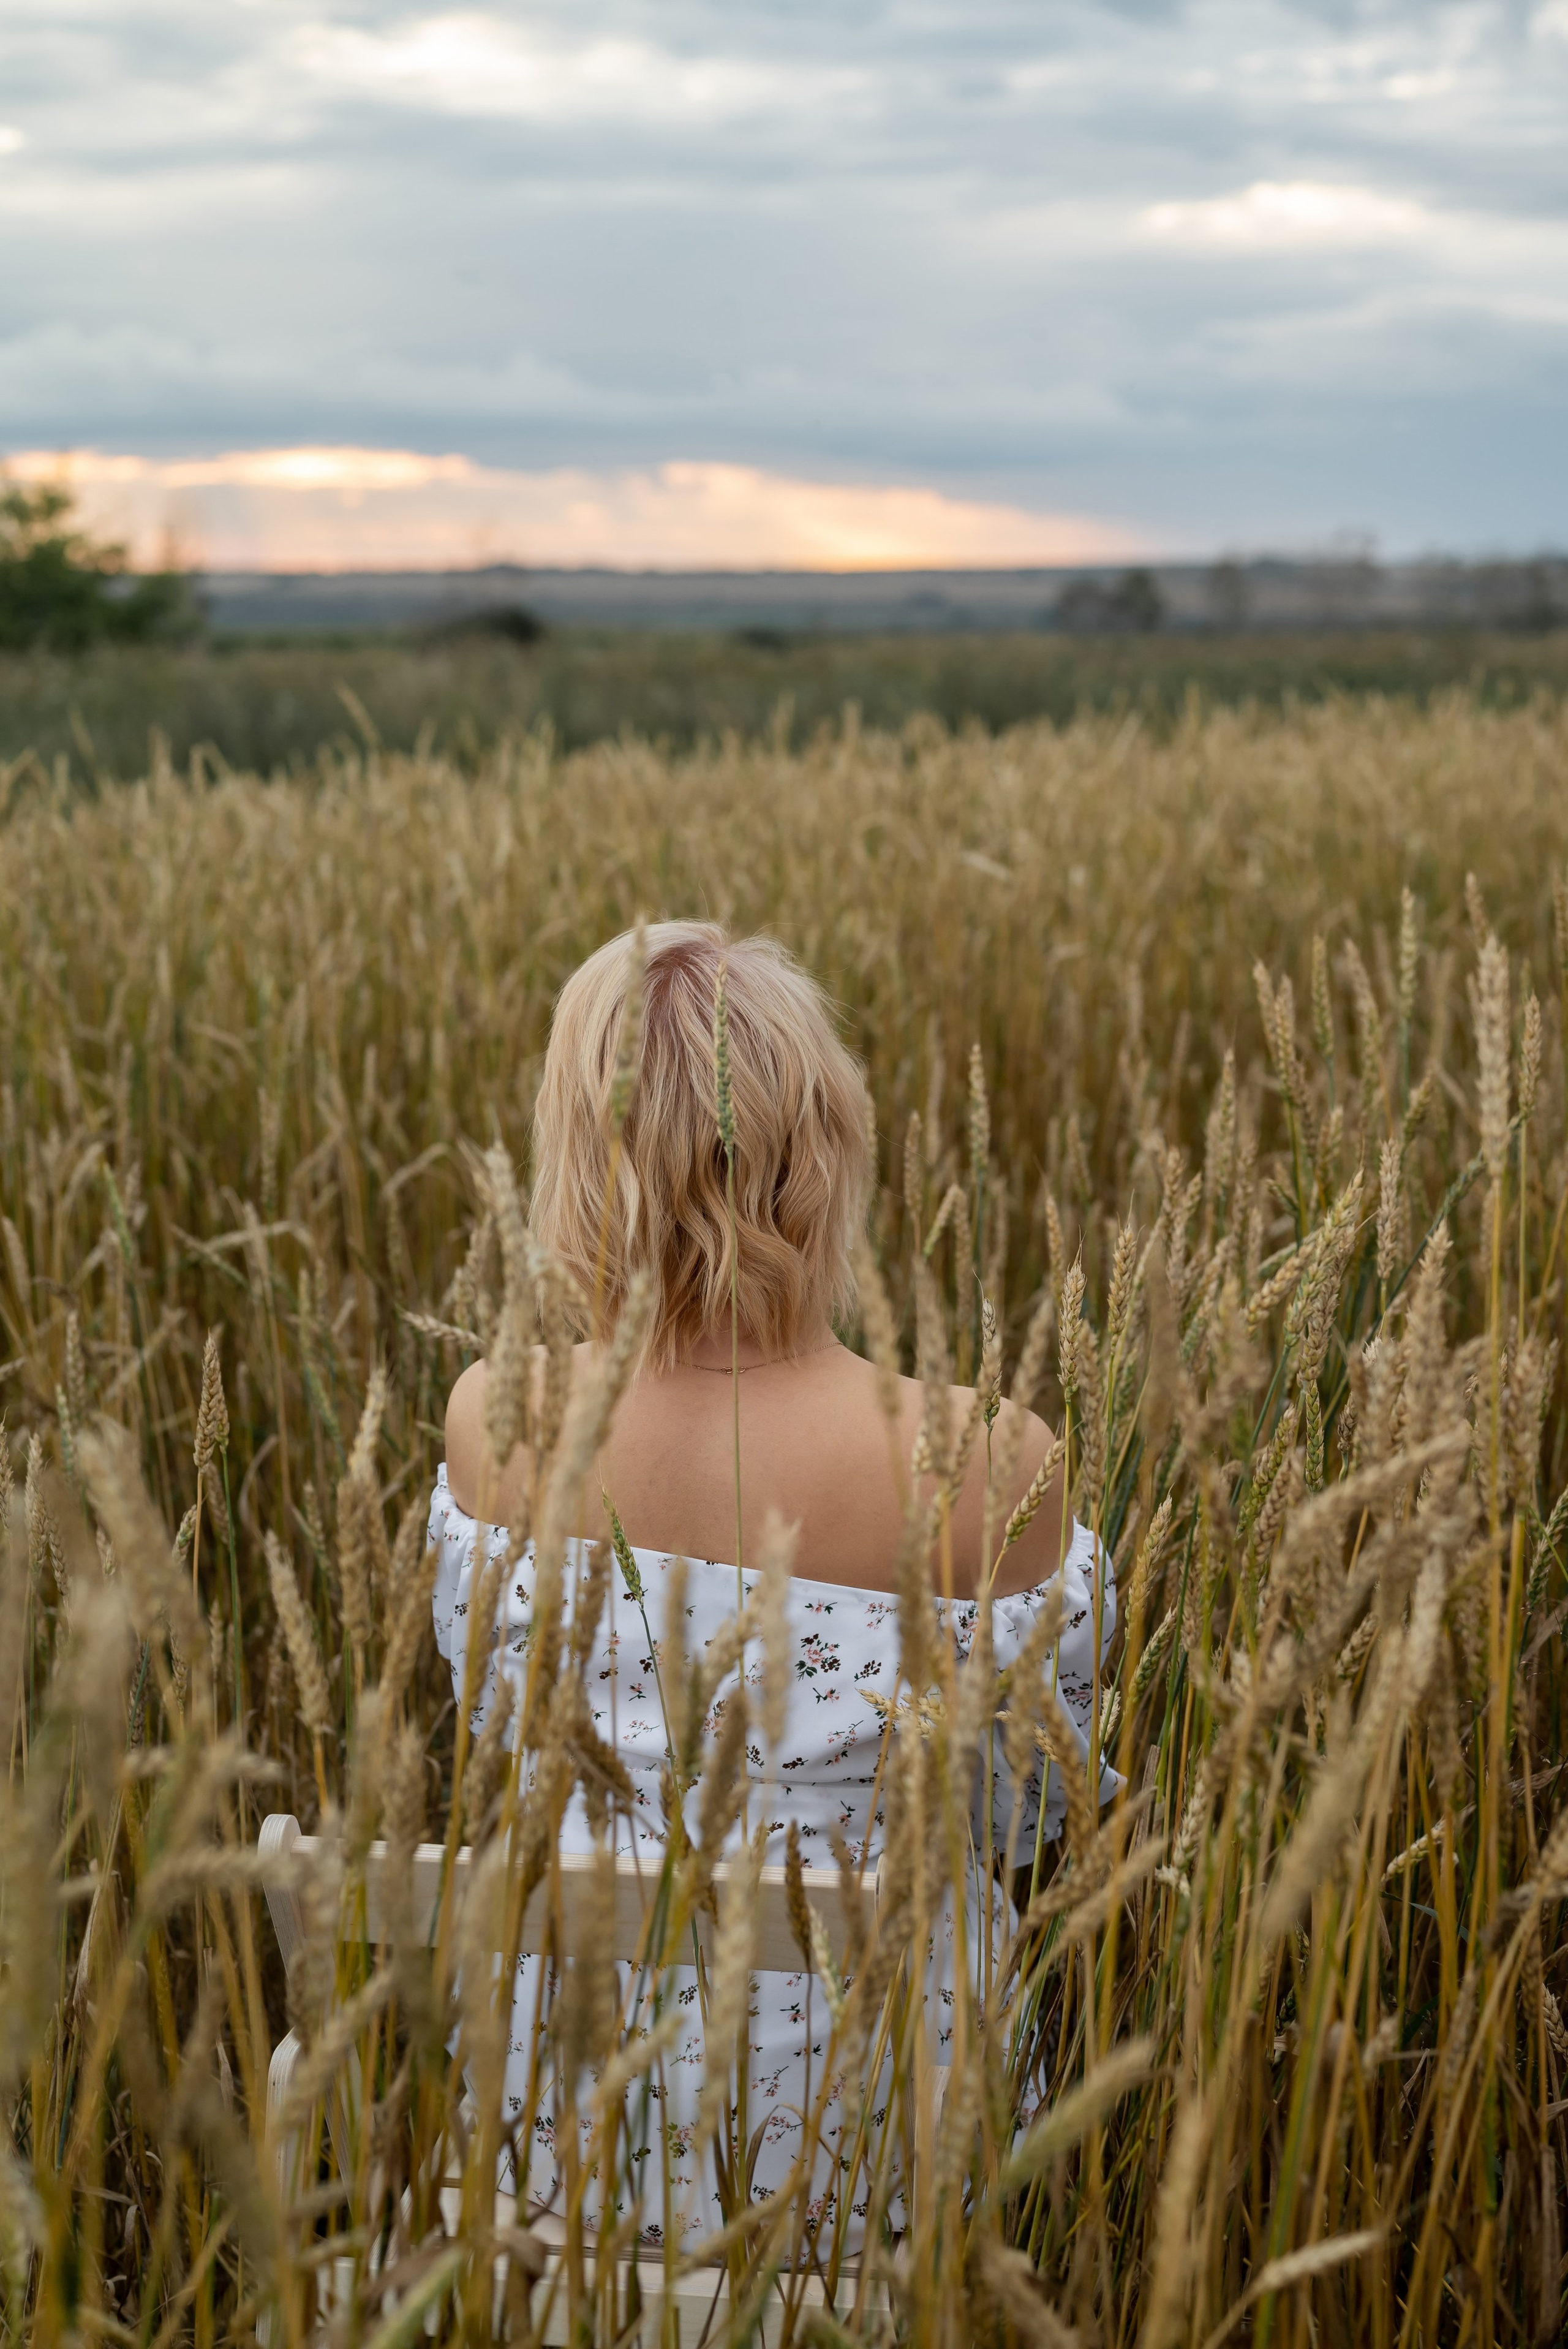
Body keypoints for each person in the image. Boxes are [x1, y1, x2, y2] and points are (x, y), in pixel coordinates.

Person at [429, 920, 1115, 2249]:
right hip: (880, 2151)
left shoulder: (493, 1421)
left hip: (551, 2133)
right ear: (829, 1145)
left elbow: (494, 1729)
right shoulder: (987, 1459)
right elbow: (1033, 1810)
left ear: (577, 1162)